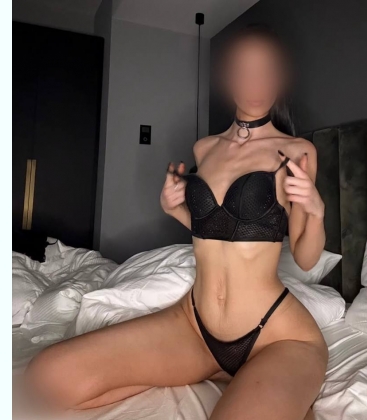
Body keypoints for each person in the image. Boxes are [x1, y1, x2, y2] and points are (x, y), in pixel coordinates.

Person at [25, 26, 328, 420]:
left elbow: (305, 258)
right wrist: (177, 210)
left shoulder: (296, 151)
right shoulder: (205, 148)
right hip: (195, 327)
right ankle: (216, 371)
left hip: (275, 335)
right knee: (47, 377)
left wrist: (316, 211)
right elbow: (219, 231)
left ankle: (277, 390)